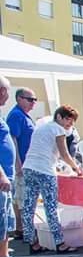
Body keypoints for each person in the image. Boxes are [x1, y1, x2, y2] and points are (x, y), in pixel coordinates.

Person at [22, 105, 83, 254]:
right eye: (68, 119)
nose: (70, 123)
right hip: (45, 170)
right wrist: (76, 168)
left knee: (29, 207)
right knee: (51, 208)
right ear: (59, 117)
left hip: (29, 167)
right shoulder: (58, 129)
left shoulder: (41, 128)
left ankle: (32, 242)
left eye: (72, 121)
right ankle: (60, 243)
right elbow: (64, 154)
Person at [0, 75, 31, 257]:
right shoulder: (15, 115)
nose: (7, 95)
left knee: (4, 221)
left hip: (6, 178)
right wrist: (2, 175)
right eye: (7, 90)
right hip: (2, 178)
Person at [7, 87, 37, 239]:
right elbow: (12, 140)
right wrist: (18, 164)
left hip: (27, 163)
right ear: (19, 99)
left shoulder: (24, 115)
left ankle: (21, 228)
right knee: (22, 197)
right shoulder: (16, 115)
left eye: (35, 100)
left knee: (21, 197)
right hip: (23, 164)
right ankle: (22, 228)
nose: (33, 102)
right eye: (30, 99)